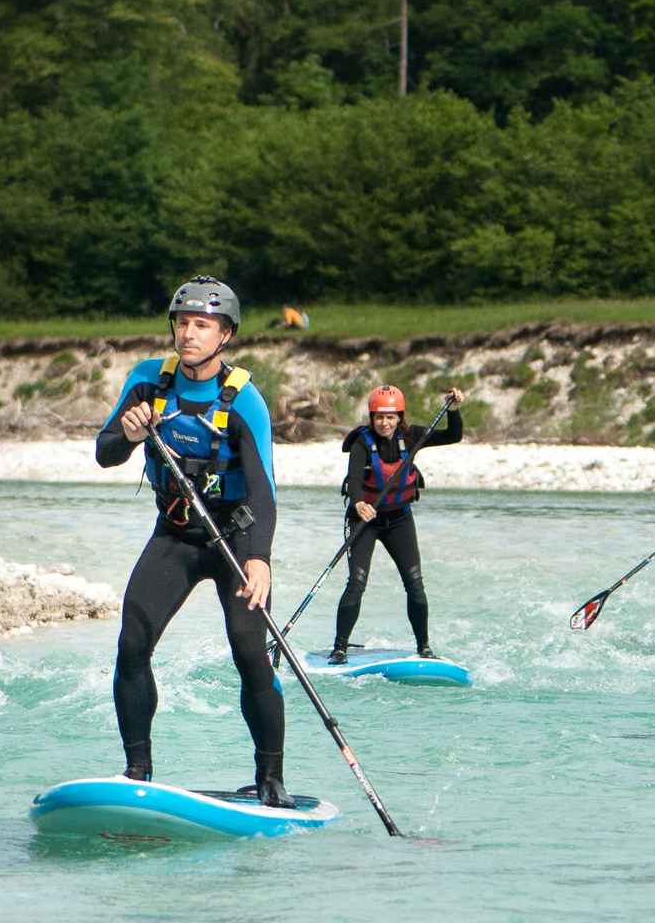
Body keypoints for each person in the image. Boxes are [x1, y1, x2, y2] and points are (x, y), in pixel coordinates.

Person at [95, 276, 292, 806]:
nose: (189, 334)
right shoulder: (146, 382)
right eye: (182, 323)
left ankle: (270, 778)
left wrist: (260, 560)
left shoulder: (245, 400)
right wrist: (131, 434)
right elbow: (105, 452)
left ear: (225, 334)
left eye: (202, 325)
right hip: (176, 535)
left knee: (252, 655)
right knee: (132, 643)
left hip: (235, 539)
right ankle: (137, 772)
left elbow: (264, 488)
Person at [328, 384, 465, 664]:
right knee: (357, 582)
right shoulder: (361, 442)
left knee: (414, 583)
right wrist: (357, 502)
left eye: (390, 417)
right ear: (371, 417)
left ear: (399, 416)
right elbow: (354, 478)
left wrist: (454, 411)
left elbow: (454, 435)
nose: (384, 423)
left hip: (399, 519)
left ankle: (424, 646)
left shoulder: (412, 435)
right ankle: (339, 648)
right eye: (379, 417)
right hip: (364, 520)